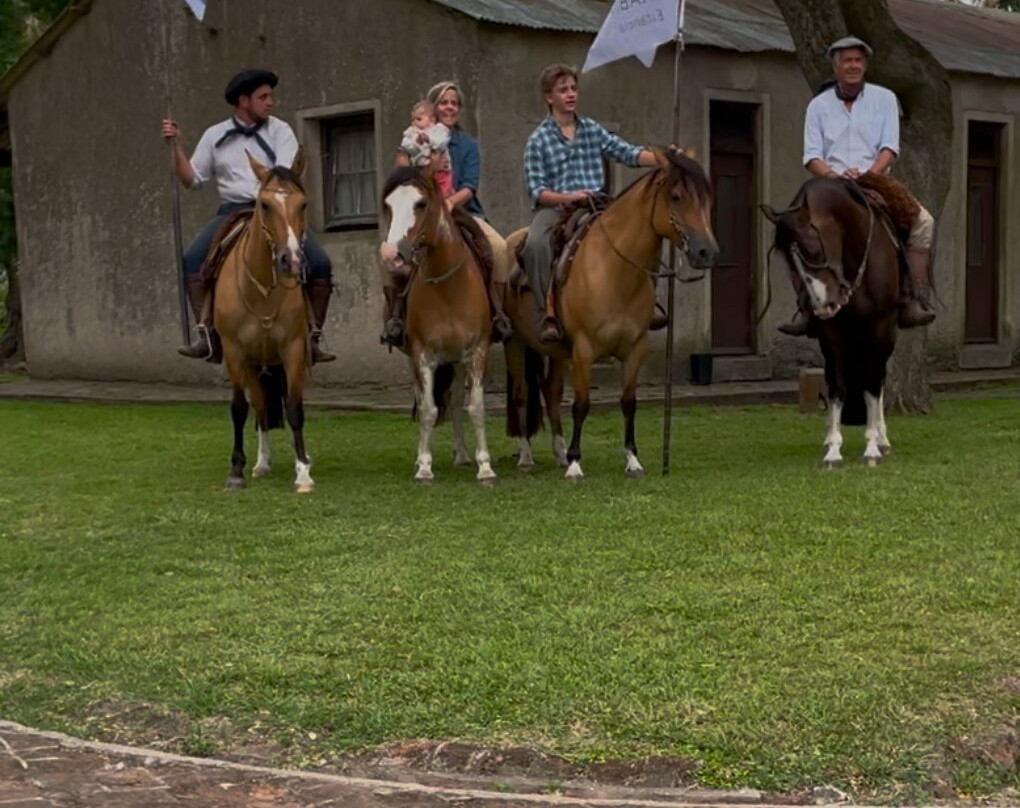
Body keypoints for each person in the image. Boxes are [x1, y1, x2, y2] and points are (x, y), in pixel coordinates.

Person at [161, 68, 335, 363]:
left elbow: (283, 176)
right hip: (233, 210)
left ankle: (313, 335)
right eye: (263, 97)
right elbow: (191, 180)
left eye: (270, 96)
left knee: (319, 262)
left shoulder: (280, 131)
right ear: (244, 101)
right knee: (192, 258)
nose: (271, 102)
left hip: (275, 209)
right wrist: (175, 147)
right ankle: (207, 333)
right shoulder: (214, 135)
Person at [780, 36, 936, 337]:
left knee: (923, 223)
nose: (853, 65)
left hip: (874, 177)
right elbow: (811, 155)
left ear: (865, 65)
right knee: (789, 229)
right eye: (846, 60)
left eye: (858, 60)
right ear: (835, 66)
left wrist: (868, 174)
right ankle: (805, 305)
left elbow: (890, 146)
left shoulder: (885, 98)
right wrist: (835, 176)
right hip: (830, 183)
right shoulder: (818, 106)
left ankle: (911, 298)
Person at [521, 64, 667, 343]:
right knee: (535, 245)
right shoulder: (538, 140)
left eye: (573, 88)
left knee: (645, 231)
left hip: (597, 206)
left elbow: (626, 153)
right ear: (549, 97)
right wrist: (567, 198)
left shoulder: (591, 129)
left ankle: (649, 301)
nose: (571, 94)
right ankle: (546, 313)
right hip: (556, 208)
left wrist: (662, 158)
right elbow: (537, 190)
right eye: (563, 90)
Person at [381, 80, 513, 348]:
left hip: (462, 210)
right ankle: (396, 316)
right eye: (444, 102)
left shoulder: (467, 144)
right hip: (420, 214)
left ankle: (497, 313)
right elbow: (401, 177)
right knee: (388, 252)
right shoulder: (412, 140)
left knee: (499, 248)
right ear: (433, 107)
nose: (450, 107)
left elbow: (470, 187)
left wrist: (450, 203)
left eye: (454, 103)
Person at [399, 100, 453, 197]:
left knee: (445, 189)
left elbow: (442, 142)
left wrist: (429, 140)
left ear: (431, 120)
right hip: (421, 171)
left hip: (441, 171)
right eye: (413, 119)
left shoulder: (438, 130)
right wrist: (416, 142)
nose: (414, 122)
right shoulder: (411, 132)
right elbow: (406, 145)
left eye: (419, 119)